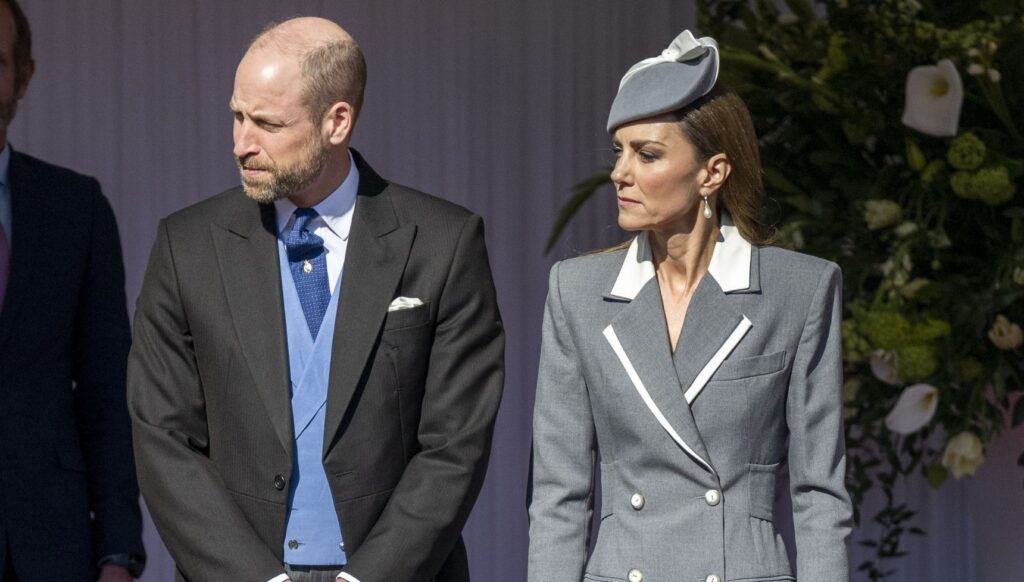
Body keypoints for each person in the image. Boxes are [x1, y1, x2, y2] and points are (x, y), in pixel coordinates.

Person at [127, 16, 504, 582]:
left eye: (267, 123)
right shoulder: (187, 247)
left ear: (337, 122)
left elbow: (456, 444)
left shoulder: (444, 243)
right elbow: (163, 439)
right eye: (237, 115)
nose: (241, 143)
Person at [527, 30, 852, 582]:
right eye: (619, 151)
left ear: (713, 173)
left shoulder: (800, 289)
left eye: (646, 154)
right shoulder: (576, 292)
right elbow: (559, 495)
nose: (619, 173)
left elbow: (820, 494)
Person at [0, 1, 147, 580]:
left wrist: (118, 550)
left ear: (23, 76)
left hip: (51, 544)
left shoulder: (76, 209)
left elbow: (108, 389)